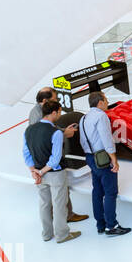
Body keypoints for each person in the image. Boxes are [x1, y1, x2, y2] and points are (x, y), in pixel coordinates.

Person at [22, 101, 80, 244]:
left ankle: (47, 234)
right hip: (55, 174)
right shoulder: (56, 133)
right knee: (59, 204)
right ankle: (62, 235)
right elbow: (55, 159)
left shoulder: (28, 130)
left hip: (39, 174)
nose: (59, 115)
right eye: (59, 112)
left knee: (44, 204)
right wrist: (41, 172)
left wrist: (34, 171)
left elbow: (26, 153)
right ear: (54, 112)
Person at [29, 88, 87, 224]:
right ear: (44, 101)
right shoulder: (39, 115)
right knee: (60, 192)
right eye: (55, 99)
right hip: (50, 161)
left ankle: (49, 228)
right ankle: (64, 223)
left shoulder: (36, 112)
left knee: (47, 198)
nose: (57, 102)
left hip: (41, 162)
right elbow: (47, 134)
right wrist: (64, 133)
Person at [80, 92, 129, 237]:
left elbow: (83, 140)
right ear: (100, 102)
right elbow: (106, 138)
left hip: (90, 157)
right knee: (110, 192)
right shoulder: (101, 116)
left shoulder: (83, 118)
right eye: (106, 100)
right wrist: (113, 157)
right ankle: (111, 225)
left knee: (97, 191)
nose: (107, 102)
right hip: (102, 158)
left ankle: (100, 224)